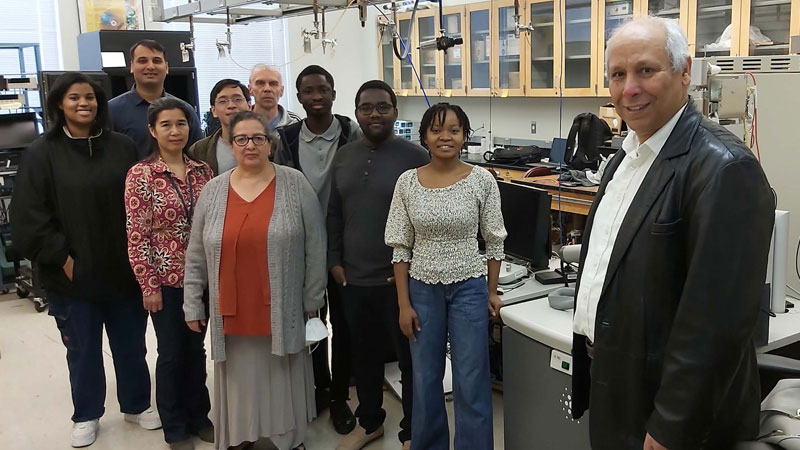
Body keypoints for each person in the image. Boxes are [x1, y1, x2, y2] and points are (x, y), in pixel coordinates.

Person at [570, 16, 775, 450]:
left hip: (674, 415)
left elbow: (717, 325)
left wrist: (671, 427)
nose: (630, 88)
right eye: (618, 74)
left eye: (646, 70)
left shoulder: (724, 168)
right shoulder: (625, 158)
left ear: (684, 72)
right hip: (617, 383)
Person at [10, 72, 161, 448]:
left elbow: (142, 203)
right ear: (60, 104)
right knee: (82, 350)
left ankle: (136, 403)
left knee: (131, 345)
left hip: (123, 271)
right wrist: (62, 258)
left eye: (91, 97)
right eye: (75, 97)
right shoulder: (42, 153)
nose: (84, 103)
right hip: (72, 276)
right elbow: (29, 215)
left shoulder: (123, 147)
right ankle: (87, 414)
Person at [183, 111, 325, 450]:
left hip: (281, 304)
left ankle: (287, 438)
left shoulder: (294, 184)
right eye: (242, 139)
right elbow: (196, 252)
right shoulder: (213, 191)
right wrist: (192, 303)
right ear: (231, 145)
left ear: (270, 144)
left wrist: (312, 300)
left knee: (281, 374)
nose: (250, 145)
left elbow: (316, 245)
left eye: (258, 138)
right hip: (231, 307)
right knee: (240, 376)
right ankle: (240, 434)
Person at [385, 103, 506, 450]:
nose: (445, 137)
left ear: (465, 136)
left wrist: (492, 291)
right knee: (425, 377)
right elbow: (400, 247)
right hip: (422, 290)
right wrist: (403, 304)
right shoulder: (407, 182)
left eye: (454, 130)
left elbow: (494, 240)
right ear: (424, 136)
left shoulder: (482, 180)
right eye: (437, 130)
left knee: (472, 377)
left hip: (469, 287)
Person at [328, 80, 428, 450]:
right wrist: (334, 261)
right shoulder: (344, 156)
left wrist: (412, 268)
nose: (374, 114)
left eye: (382, 107)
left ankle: (413, 431)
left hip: (399, 282)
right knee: (364, 356)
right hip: (354, 279)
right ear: (356, 113)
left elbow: (428, 219)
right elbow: (334, 213)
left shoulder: (416, 157)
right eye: (366, 107)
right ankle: (369, 422)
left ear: (395, 112)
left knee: (410, 361)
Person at [124, 97, 215, 450]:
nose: (175, 131)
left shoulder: (203, 171)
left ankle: (199, 416)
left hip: (201, 279)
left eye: (181, 123)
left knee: (196, 350)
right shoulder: (141, 175)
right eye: (166, 125)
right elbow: (137, 236)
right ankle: (174, 427)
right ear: (152, 130)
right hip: (165, 280)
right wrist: (149, 286)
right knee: (172, 352)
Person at [275, 64, 361, 434]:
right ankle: (318, 389)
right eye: (308, 91)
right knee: (310, 321)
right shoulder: (285, 138)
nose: (316, 97)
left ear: (333, 93)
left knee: (344, 324)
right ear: (298, 97)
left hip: (344, 247)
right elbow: (279, 191)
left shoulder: (351, 132)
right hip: (302, 248)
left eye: (322, 89)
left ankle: (340, 395)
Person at [109, 39, 203, 158]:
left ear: (166, 67)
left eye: (157, 61)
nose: (150, 66)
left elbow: (196, 154)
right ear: (132, 66)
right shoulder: (112, 110)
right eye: (143, 61)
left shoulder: (185, 109)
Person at [188, 79, 252, 175]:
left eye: (237, 99)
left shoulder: (269, 143)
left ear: (249, 106)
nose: (231, 105)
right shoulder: (199, 150)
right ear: (213, 110)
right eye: (223, 101)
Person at [249, 64, 301, 131]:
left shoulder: (294, 122)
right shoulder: (240, 122)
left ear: (281, 91)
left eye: (273, 84)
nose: (267, 89)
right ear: (250, 89)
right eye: (260, 83)